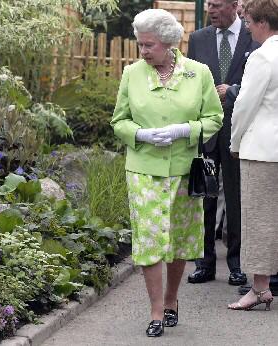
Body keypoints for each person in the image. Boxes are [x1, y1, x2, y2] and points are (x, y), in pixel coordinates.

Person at [110, 9, 223, 337]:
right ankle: (156, 311)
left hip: (185, 169)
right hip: (143, 169)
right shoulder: (132, 74)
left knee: (176, 240)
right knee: (149, 239)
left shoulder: (198, 73)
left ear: (169, 43)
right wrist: (140, 135)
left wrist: (183, 130)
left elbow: (214, 118)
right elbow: (119, 120)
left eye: (149, 45)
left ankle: (172, 300)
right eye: (140, 44)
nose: (143, 51)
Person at [186, 0, 259, 286]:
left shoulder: (253, 38)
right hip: (206, 134)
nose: (212, 11)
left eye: (217, 5)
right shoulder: (198, 39)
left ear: (233, 5)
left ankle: (237, 264)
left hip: (239, 133)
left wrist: (234, 92)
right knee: (204, 197)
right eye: (209, 6)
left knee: (237, 198)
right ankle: (204, 263)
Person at [228, 0, 278, 311]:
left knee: (259, 220)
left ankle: (260, 289)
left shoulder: (262, 57)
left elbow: (244, 106)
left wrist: (234, 142)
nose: (246, 27)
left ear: (262, 22)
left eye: (247, 21)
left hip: (262, 150)